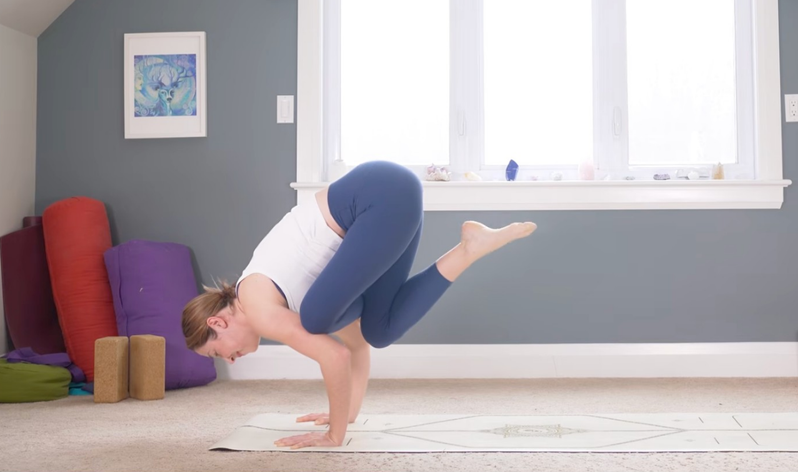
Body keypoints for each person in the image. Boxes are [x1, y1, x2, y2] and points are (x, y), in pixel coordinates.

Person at [181, 160, 536, 450]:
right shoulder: (283, 298)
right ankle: (469, 248)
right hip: (393, 200)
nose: (229, 360)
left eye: (216, 353)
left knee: (316, 319)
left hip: (379, 194)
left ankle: (470, 247)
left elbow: (334, 356)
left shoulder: (258, 307)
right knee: (378, 330)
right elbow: (355, 345)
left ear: (218, 324)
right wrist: (348, 413)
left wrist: (334, 435)